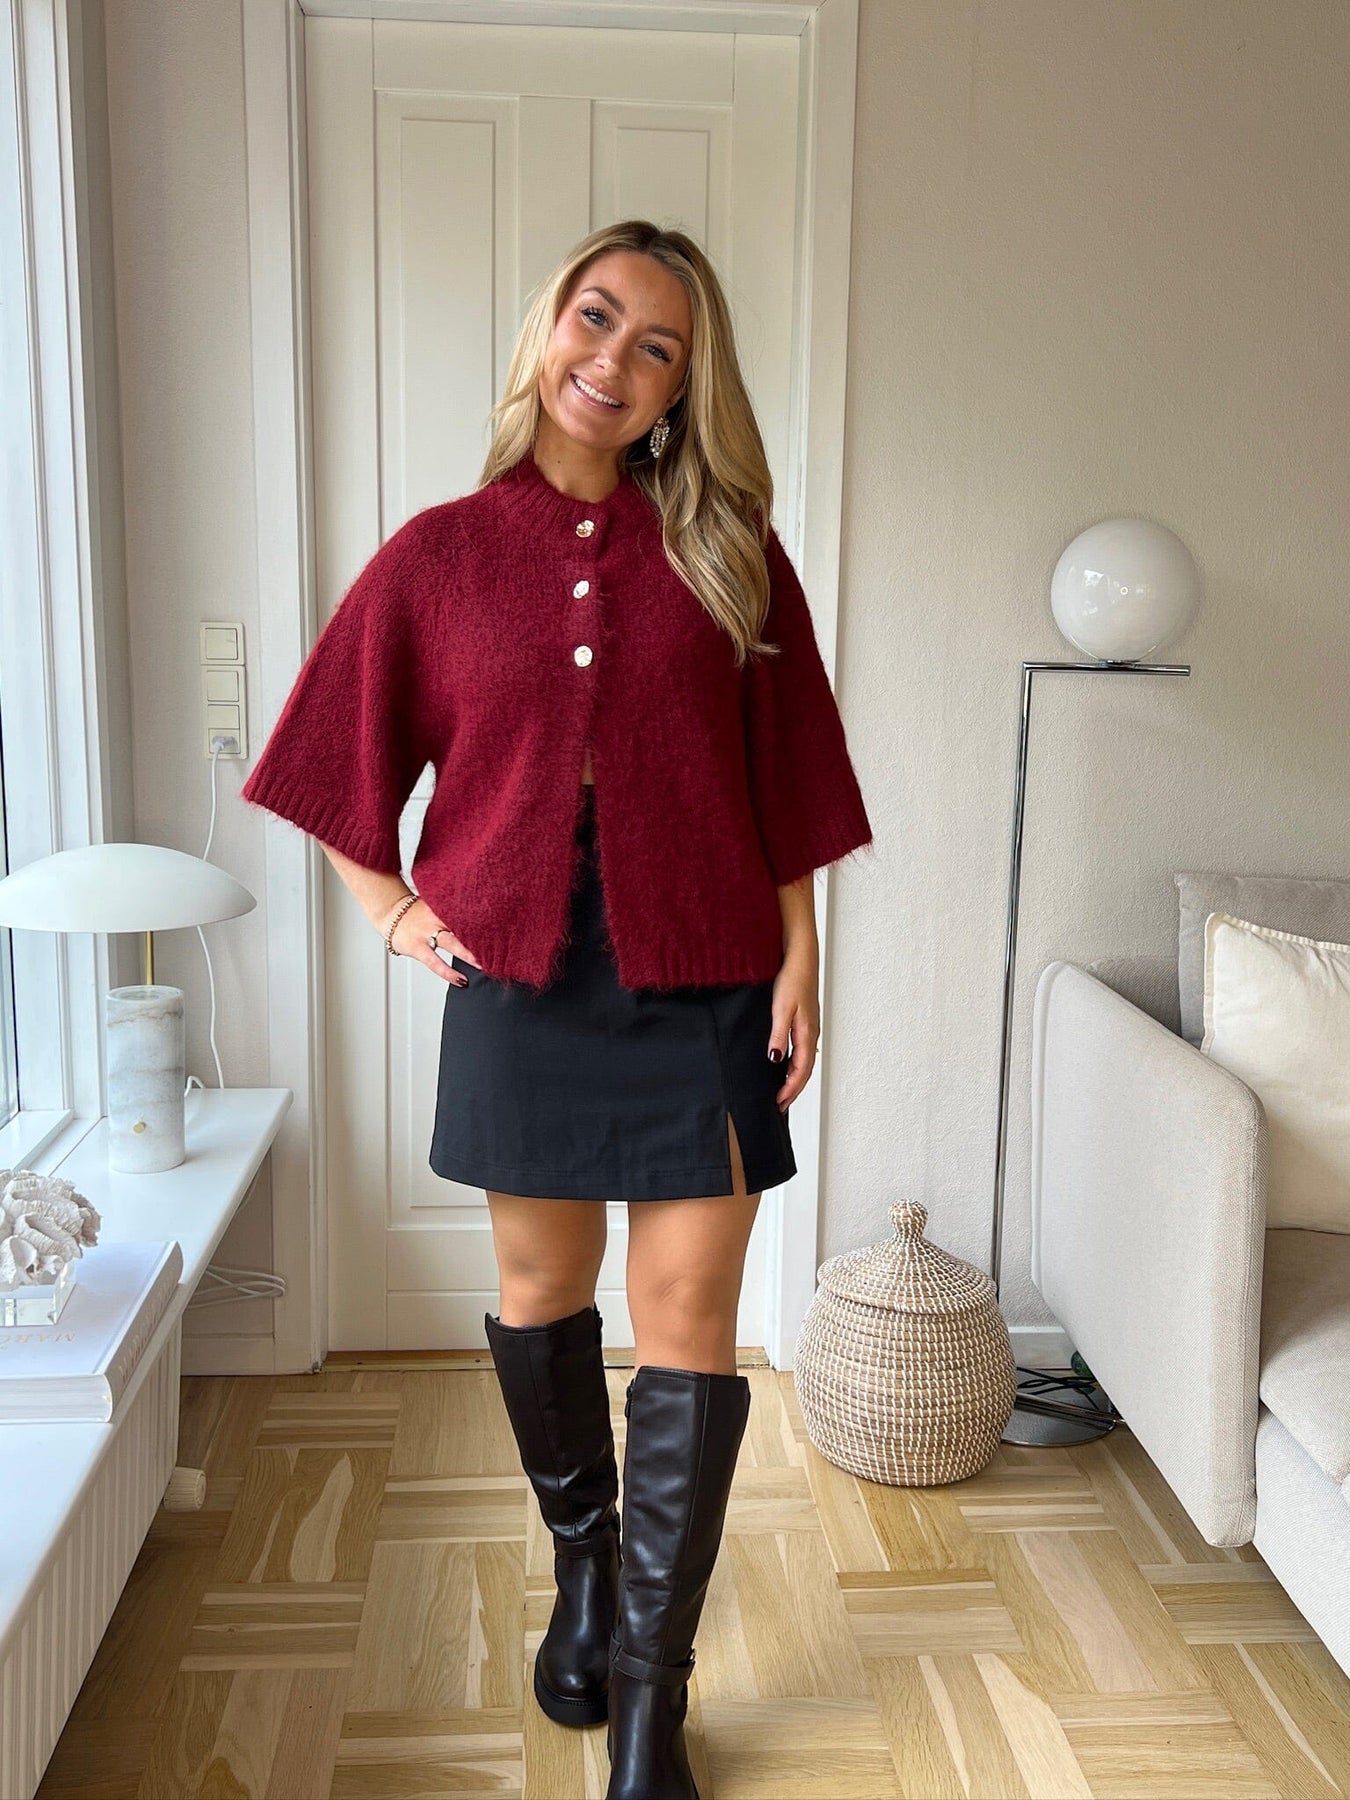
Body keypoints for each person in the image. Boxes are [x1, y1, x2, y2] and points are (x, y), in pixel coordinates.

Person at [240, 218, 873, 1800]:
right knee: (539, 1292)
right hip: (521, 980)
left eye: (657, 347)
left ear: (681, 389)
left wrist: (802, 954)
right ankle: (584, 1575)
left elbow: (788, 774)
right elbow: (329, 757)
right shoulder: (439, 556)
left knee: (688, 1319)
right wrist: (392, 908)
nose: (614, 361)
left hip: (706, 974)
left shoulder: (729, 550)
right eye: (596, 319)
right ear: (547, 330)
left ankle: (653, 1696)